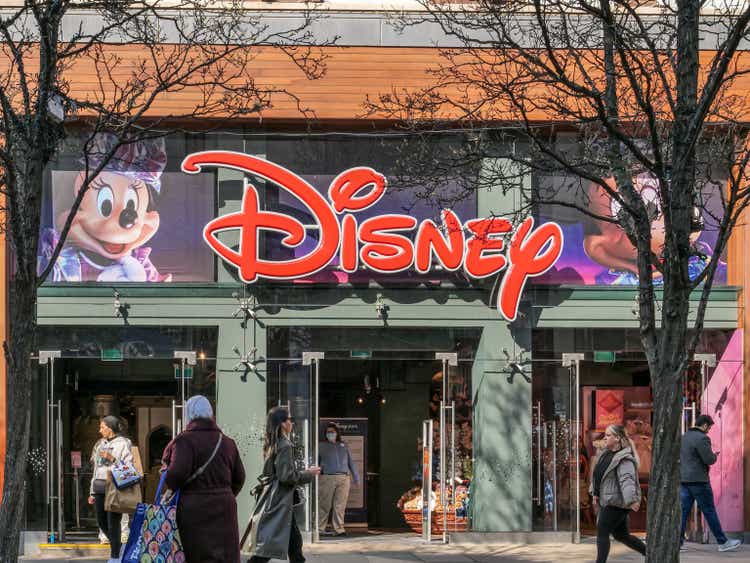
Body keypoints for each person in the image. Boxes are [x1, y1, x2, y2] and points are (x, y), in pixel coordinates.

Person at [164, 395, 246, 563]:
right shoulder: (228, 442)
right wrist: (223, 494)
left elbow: (175, 477)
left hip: (194, 509)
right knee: (224, 556)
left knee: (198, 555)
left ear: (189, 414)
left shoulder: (184, 441)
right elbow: (240, 477)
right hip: (225, 507)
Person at [247, 407, 321, 563]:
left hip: (277, 500)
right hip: (280, 501)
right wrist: (309, 473)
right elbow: (286, 476)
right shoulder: (285, 445)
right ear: (282, 424)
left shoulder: (272, 443)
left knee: (293, 543)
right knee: (276, 547)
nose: (291, 422)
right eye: (289, 419)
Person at [680, 414, 741, 552]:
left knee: (682, 513)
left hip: (684, 480)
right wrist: (714, 455)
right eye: (709, 428)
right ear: (705, 425)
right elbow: (709, 459)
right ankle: (722, 542)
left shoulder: (684, 437)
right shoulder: (702, 438)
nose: (709, 431)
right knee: (709, 510)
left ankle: (678, 544)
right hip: (699, 481)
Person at [590, 424, 646, 563]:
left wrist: (631, 500)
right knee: (622, 536)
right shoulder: (605, 454)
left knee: (602, 531)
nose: (605, 438)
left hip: (617, 502)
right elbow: (598, 476)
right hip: (608, 500)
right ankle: (652, 554)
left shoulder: (624, 458)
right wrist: (595, 494)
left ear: (617, 438)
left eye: (608, 435)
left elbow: (627, 480)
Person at [87, 416, 133, 563]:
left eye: (102, 427)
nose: (99, 430)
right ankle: (118, 546)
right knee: (101, 521)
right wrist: (91, 491)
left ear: (110, 428)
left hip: (114, 487)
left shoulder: (123, 444)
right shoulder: (100, 445)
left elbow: (129, 468)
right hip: (99, 488)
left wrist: (112, 459)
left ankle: (115, 557)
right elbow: (96, 469)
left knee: (113, 522)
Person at [318, 422, 360, 536]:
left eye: (332, 432)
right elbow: (316, 463)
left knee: (340, 505)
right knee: (324, 504)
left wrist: (357, 478)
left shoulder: (344, 445)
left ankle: (339, 529)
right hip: (327, 477)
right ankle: (320, 529)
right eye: (328, 432)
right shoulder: (320, 446)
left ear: (337, 433)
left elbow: (351, 462)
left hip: (344, 478)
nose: (330, 434)